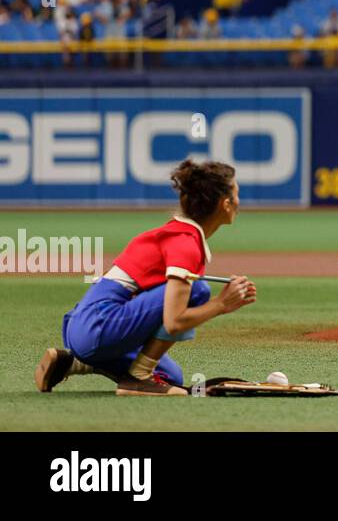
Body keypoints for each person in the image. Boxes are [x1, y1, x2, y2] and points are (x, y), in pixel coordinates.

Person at [35, 160, 256, 396]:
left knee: (171, 377)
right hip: (96, 327)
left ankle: (73, 362)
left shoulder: (173, 233)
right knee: (198, 290)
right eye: (237, 193)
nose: (239, 201)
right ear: (225, 204)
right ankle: (137, 378)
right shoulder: (184, 243)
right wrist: (221, 304)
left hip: (83, 326)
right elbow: (173, 321)